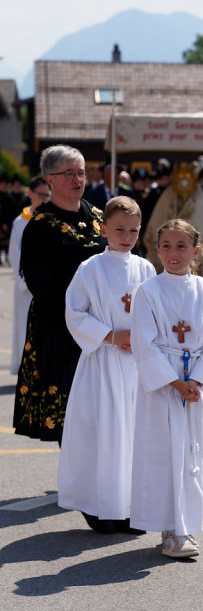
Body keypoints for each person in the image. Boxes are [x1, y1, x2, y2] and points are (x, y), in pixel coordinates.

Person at [58, 197, 156, 534]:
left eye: (132, 230)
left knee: (133, 435)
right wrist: (112, 336)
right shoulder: (90, 269)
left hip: (136, 367)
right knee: (104, 435)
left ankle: (130, 508)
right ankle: (100, 507)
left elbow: (156, 311)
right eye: (119, 229)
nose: (126, 236)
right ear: (103, 230)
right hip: (103, 362)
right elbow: (75, 313)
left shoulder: (146, 268)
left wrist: (144, 337)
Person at [129, 219, 203, 559]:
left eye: (181, 246)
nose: (173, 253)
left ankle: (186, 526)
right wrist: (174, 381)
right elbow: (144, 343)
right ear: (156, 250)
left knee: (191, 456)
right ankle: (169, 528)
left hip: (193, 385)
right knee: (164, 454)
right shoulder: (148, 291)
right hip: (164, 387)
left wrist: (197, 380)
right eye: (166, 246)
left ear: (196, 251)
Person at [13, 146, 106, 443]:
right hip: (61, 328)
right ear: (50, 179)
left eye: (81, 172)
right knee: (69, 416)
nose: (78, 179)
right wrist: (79, 316)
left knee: (105, 413)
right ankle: (76, 481)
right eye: (69, 173)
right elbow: (41, 285)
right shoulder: (40, 226)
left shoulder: (100, 218)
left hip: (105, 328)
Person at [8, 176, 51, 374]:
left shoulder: (53, 220)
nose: (44, 199)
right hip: (27, 288)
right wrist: (32, 281)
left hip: (49, 286)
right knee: (25, 327)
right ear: (30, 194)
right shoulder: (20, 222)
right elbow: (15, 255)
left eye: (47, 195)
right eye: (41, 194)